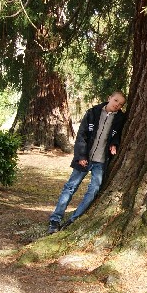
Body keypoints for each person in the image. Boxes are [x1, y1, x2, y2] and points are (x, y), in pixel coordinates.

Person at [47, 91, 126, 234]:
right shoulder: (93, 113)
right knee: (70, 187)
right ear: (109, 98)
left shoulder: (120, 118)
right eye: (115, 101)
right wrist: (81, 156)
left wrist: (114, 144)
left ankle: (74, 219)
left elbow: (118, 135)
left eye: (120, 104)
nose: (117, 105)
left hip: (101, 162)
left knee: (93, 190)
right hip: (85, 159)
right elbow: (81, 136)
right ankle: (55, 219)